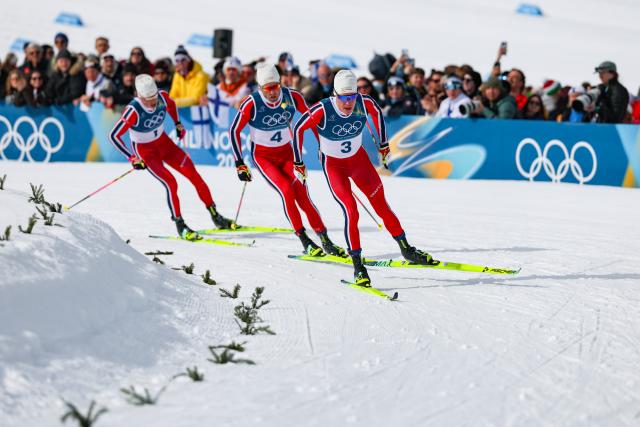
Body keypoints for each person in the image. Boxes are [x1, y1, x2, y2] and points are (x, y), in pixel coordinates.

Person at [292, 70, 436, 287]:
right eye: (344, 97)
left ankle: (406, 249)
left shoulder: (363, 102)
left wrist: (384, 144)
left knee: (382, 206)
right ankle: (358, 266)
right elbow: (297, 129)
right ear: (335, 94)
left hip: (359, 162)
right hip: (335, 166)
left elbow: (377, 113)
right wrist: (298, 162)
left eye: (352, 97)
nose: (349, 103)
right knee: (352, 211)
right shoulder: (323, 109)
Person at [229, 64, 345, 256]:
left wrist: (323, 146)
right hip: (264, 157)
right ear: (260, 88)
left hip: (287, 154)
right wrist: (239, 163)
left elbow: (312, 120)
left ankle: (325, 240)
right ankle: (304, 239)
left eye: (276, 86)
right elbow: (234, 130)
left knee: (303, 195)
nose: (273, 92)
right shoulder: (251, 103)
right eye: (268, 89)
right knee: (286, 190)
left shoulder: (292, 97)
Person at [108, 74, 234, 239]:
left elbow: (172, 105)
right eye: (148, 100)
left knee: (193, 174)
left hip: (164, 143)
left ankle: (215, 215)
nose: (153, 103)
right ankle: (180, 224)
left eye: (154, 97)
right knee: (171, 182)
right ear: (139, 96)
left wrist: (177, 124)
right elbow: (113, 136)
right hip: (145, 150)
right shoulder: (133, 110)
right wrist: (132, 158)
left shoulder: (161, 96)